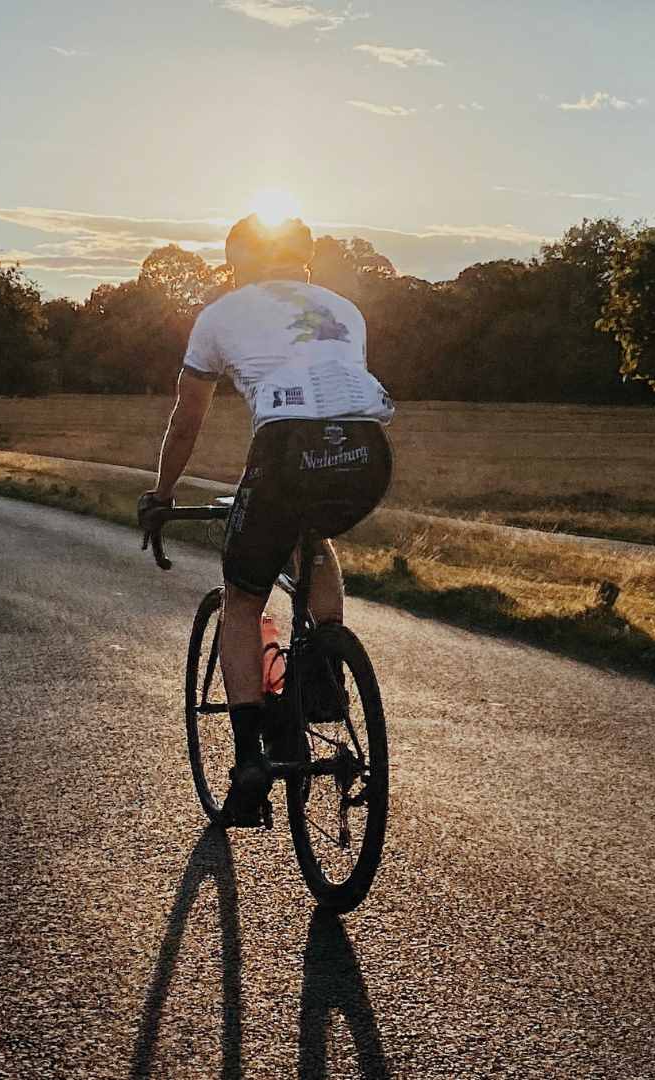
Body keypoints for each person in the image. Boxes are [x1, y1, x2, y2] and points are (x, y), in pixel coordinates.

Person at [138, 214, 394, 826]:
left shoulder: (221, 314)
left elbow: (188, 412)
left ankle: (250, 761)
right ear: (304, 258)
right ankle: (325, 671)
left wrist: (163, 491)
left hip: (286, 451)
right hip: (368, 452)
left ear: (238, 262)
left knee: (243, 598)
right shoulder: (345, 309)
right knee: (314, 540)